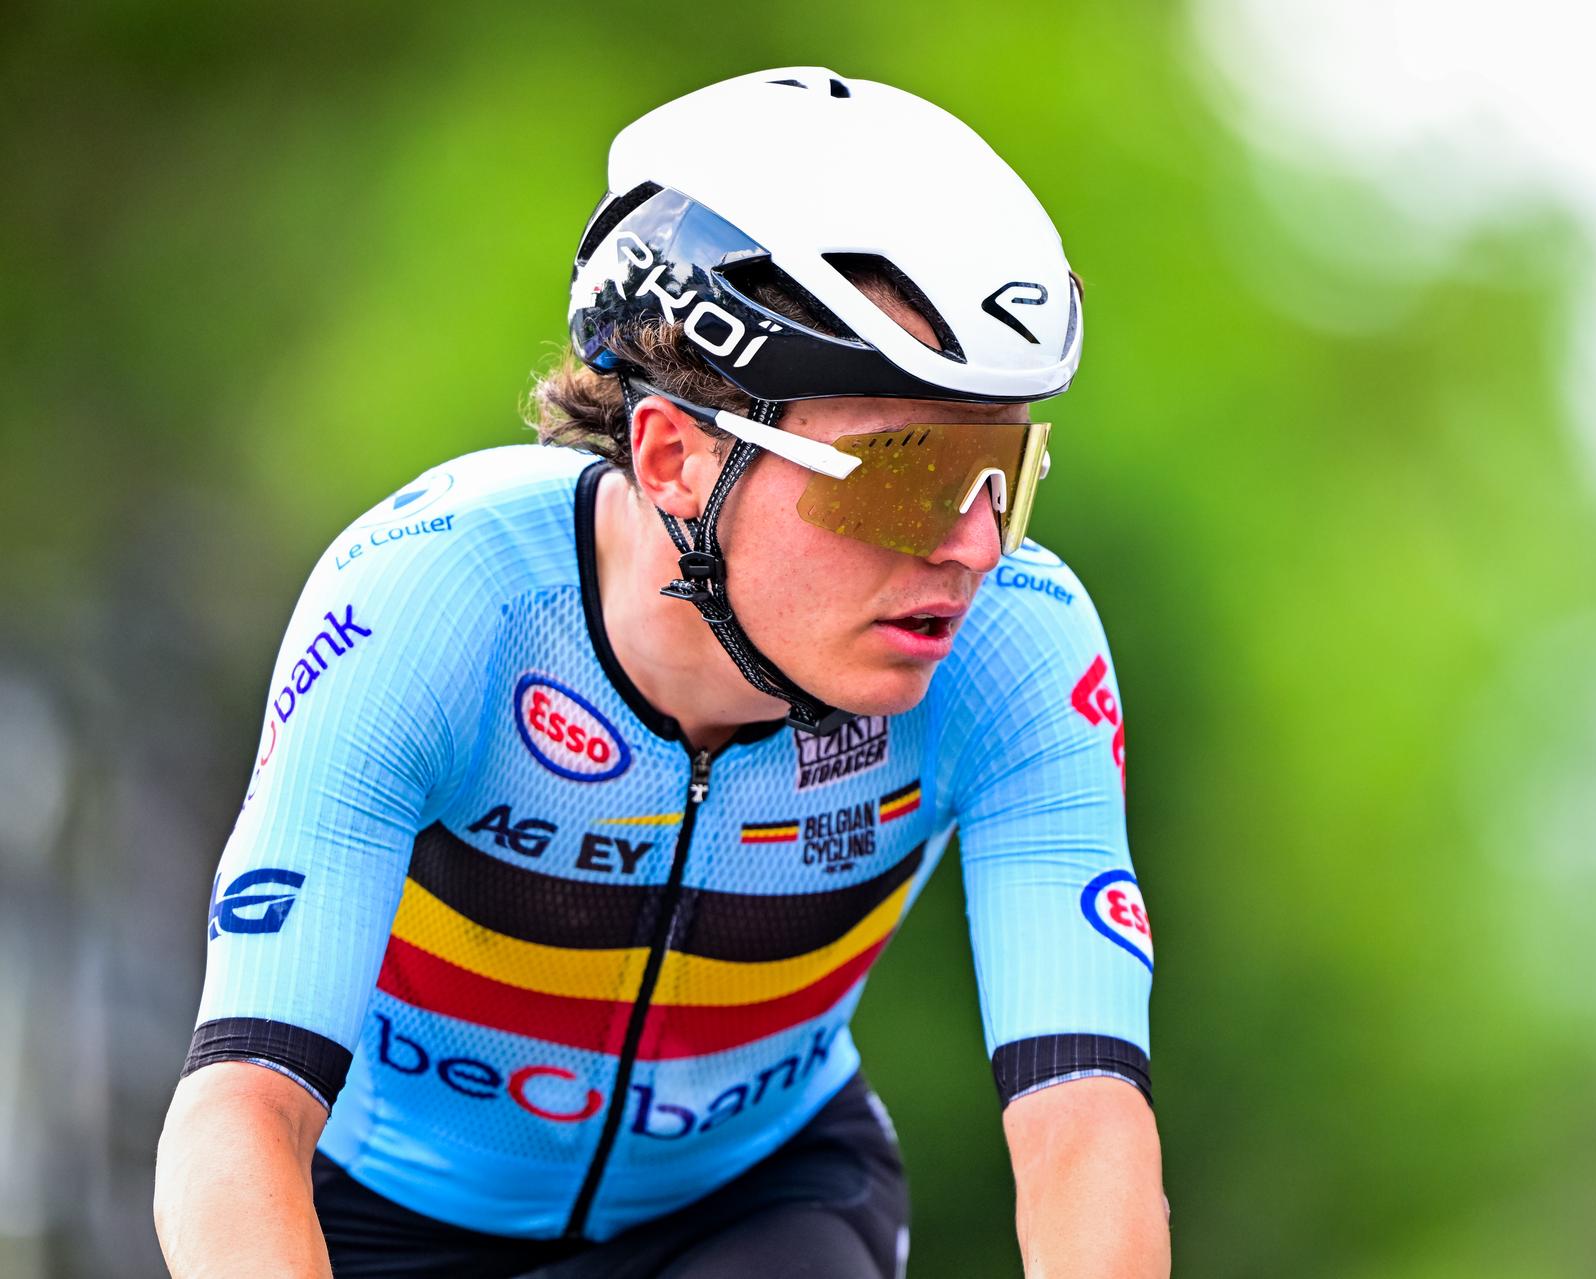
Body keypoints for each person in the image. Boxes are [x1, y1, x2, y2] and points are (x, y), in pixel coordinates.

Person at [153, 67, 1164, 1278]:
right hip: (380, 1217)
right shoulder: (435, 601)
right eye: (906, 472)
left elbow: (1083, 1127)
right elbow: (240, 1108)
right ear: (675, 454)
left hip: (751, 1209)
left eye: (1007, 466)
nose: (977, 543)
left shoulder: (1019, 644)